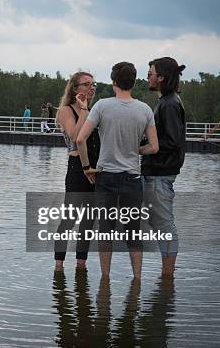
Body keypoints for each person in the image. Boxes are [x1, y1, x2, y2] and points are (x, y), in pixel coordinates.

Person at [76, 62, 159, 279]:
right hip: (132, 178)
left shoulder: (102, 106)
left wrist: (86, 168)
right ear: (133, 82)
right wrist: (135, 149)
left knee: (106, 231)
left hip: (106, 177)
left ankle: (105, 280)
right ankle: (137, 280)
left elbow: (80, 138)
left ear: (114, 83)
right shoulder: (145, 110)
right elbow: (154, 147)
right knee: (134, 233)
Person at [143, 57, 186, 278]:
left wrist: (144, 148)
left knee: (164, 224)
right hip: (157, 172)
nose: (147, 76)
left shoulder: (169, 104)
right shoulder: (166, 101)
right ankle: (166, 276)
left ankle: (168, 276)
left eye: (150, 73)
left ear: (161, 78)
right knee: (158, 222)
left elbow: (173, 141)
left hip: (160, 173)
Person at [54, 72, 100, 271]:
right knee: (70, 218)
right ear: (75, 88)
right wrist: (83, 111)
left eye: (93, 84)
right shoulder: (66, 110)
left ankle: (81, 263)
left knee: (89, 220)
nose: (91, 87)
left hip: (94, 168)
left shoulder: (94, 109)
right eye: (86, 84)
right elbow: (74, 136)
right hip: (77, 169)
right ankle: (59, 264)